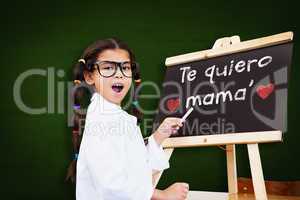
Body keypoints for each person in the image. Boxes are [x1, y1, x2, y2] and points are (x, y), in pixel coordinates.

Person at [73, 38, 189, 200]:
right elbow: (110, 184)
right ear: (89, 76)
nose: (119, 74)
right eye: (108, 68)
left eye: (125, 68)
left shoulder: (116, 117)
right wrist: (161, 195)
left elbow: (135, 168)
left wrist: (158, 136)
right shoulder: (102, 120)